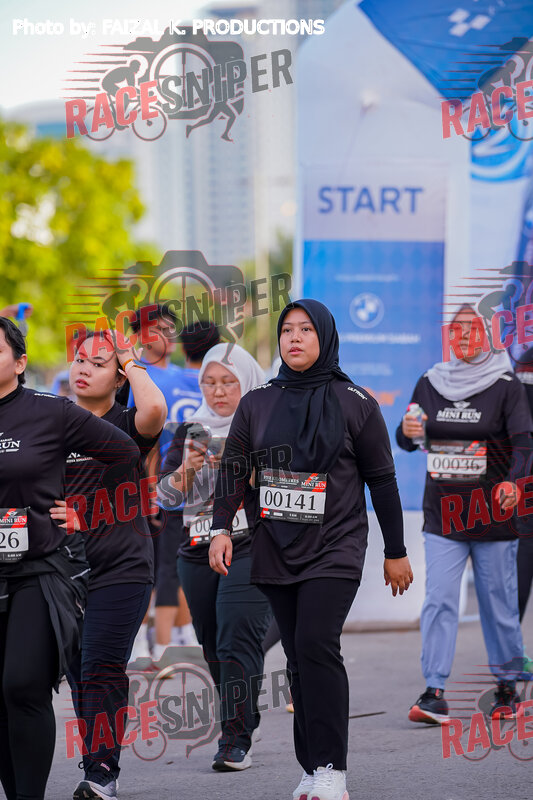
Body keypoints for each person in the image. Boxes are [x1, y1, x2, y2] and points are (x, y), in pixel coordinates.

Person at [209, 300, 412, 800]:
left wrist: (395, 550)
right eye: (286, 330)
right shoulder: (257, 402)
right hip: (276, 544)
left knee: (317, 644)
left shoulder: (356, 402)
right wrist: (220, 529)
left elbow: (382, 481)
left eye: (305, 330)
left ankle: (331, 768)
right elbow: (233, 469)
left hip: (336, 545)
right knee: (297, 656)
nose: (294, 338)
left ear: (325, 336)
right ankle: (311, 765)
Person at [0, 318, 141, 800]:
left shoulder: (51, 412)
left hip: (46, 570)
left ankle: (80, 777)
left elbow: (128, 452)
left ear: (21, 362)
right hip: (9, 571)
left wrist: (88, 509)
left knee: (26, 683)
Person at [397, 304, 532, 725]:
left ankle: (508, 686)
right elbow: (406, 438)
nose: (464, 337)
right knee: (439, 600)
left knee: (498, 604)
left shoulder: (505, 384)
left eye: (472, 329)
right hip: (444, 515)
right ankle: (434, 691)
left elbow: (524, 443)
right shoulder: (431, 381)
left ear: (487, 337)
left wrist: (514, 482)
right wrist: (407, 431)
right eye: (456, 330)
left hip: (493, 516)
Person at [54, 329, 166, 799]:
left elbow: (155, 409)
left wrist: (129, 358)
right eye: (80, 359)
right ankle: (96, 760)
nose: (83, 368)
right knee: (80, 671)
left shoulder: (125, 424)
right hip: (64, 572)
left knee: (101, 663)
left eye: (98, 364)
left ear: (118, 378)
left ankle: (102, 771)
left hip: (123, 567)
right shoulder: (54, 424)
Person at [158, 342, 272, 771]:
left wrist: (246, 466)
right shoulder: (190, 429)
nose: (218, 391)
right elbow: (166, 498)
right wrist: (187, 468)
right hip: (196, 550)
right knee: (213, 648)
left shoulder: (265, 424)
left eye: (228, 382)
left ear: (248, 382)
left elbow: (286, 484)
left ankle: (234, 739)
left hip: (250, 544)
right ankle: (244, 718)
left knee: (235, 638)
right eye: (209, 382)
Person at [127, 309, 220, 661]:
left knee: (182, 565)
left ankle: (181, 634)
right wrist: (151, 490)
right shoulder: (138, 376)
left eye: (170, 329)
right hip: (157, 487)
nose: (166, 335)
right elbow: (143, 441)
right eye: (158, 329)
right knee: (152, 569)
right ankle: (143, 640)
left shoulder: (187, 376)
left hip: (198, 487)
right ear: (140, 335)